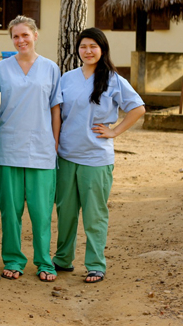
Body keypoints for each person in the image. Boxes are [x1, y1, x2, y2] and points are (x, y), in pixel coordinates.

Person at [53, 27, 145, 283]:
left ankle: (95, 264)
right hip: (67, 155)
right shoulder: (67, 78)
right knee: (66, 211)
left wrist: (115, 131)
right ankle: (62, 259)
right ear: (78, 50)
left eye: (93, 46)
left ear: (102, 49)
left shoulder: (114, 79)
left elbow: (138, 109)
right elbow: (58, 113)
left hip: (96, 158)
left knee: (95, 214)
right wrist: (55, 145)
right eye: (83, 46)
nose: (88, 51)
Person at [0, 15, 62, 282]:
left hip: (42, 149)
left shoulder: (51, 68)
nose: (20, 40)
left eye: (25, 35)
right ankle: (14, 259)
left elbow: (55, 107)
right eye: (15, 36)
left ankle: (44, 261)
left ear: (35, 35)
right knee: (11, 211)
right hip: (8, 148)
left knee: (42, 213)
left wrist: (55, 142)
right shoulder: (1, 69)